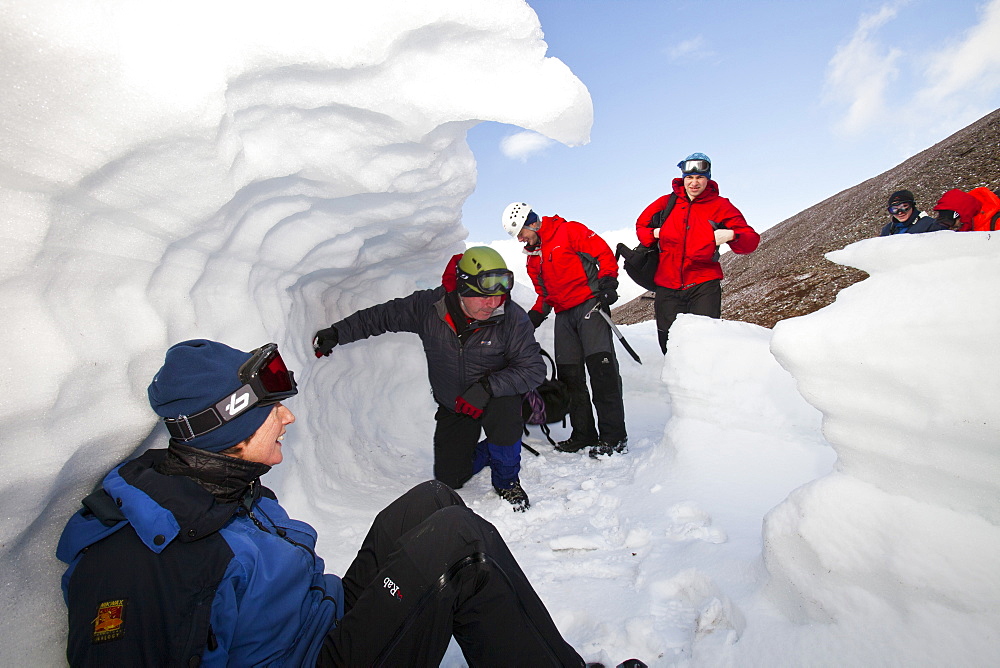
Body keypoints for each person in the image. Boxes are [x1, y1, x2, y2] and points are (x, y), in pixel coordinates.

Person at [56, 339, 585, 666]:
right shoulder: (144, 561)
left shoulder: (220, 481)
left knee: (432, 502)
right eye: (271, 410)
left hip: (327, 622)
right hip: (316, 658)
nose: (287, 418)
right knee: (459, 544)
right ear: (226, 424)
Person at [313, 247, 543, 511]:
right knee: (450, 477)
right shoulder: (430, 308)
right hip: (455, 405)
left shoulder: (512, 318)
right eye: (483, 297)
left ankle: (507, 480)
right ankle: (493, 450)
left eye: (499, 297)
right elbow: (382, 317)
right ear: (462, 289)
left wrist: (487, 387)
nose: (493, 304)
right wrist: (338, 333)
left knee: (504, 415)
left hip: (495, 399)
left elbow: (533, 368)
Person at [501, 202, 628, 459]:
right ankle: (584, 434)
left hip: (590, 307)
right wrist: (531, 319)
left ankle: (614, 437)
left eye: (521, 232)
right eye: (517, 236)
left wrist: (608, 282)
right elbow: (544, 295)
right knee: (571, 379)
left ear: (532, 222)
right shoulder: (533, 259)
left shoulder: (569, 231)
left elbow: (603, 253)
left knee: (602, 373)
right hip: (563, 316)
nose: (521, 239)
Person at [634, 153, 759, 354]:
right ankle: (677, 383)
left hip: (703, 284)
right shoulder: (666, 203)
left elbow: (751, 240)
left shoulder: (721, 205)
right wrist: (655, 233)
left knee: (705, 344)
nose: (694, 182)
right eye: (689, 177)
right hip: (667, 286)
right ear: (683, 178)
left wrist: (731, 235)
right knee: (669, 344)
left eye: (700, 177)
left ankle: (703, 384)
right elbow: (641, 226)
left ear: (707, 178)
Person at [878, 189, 949, 236]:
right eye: (894, 209)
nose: (900, 213)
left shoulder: (930, 225)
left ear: (912, 206)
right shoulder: (887, 230)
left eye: (904, 207)